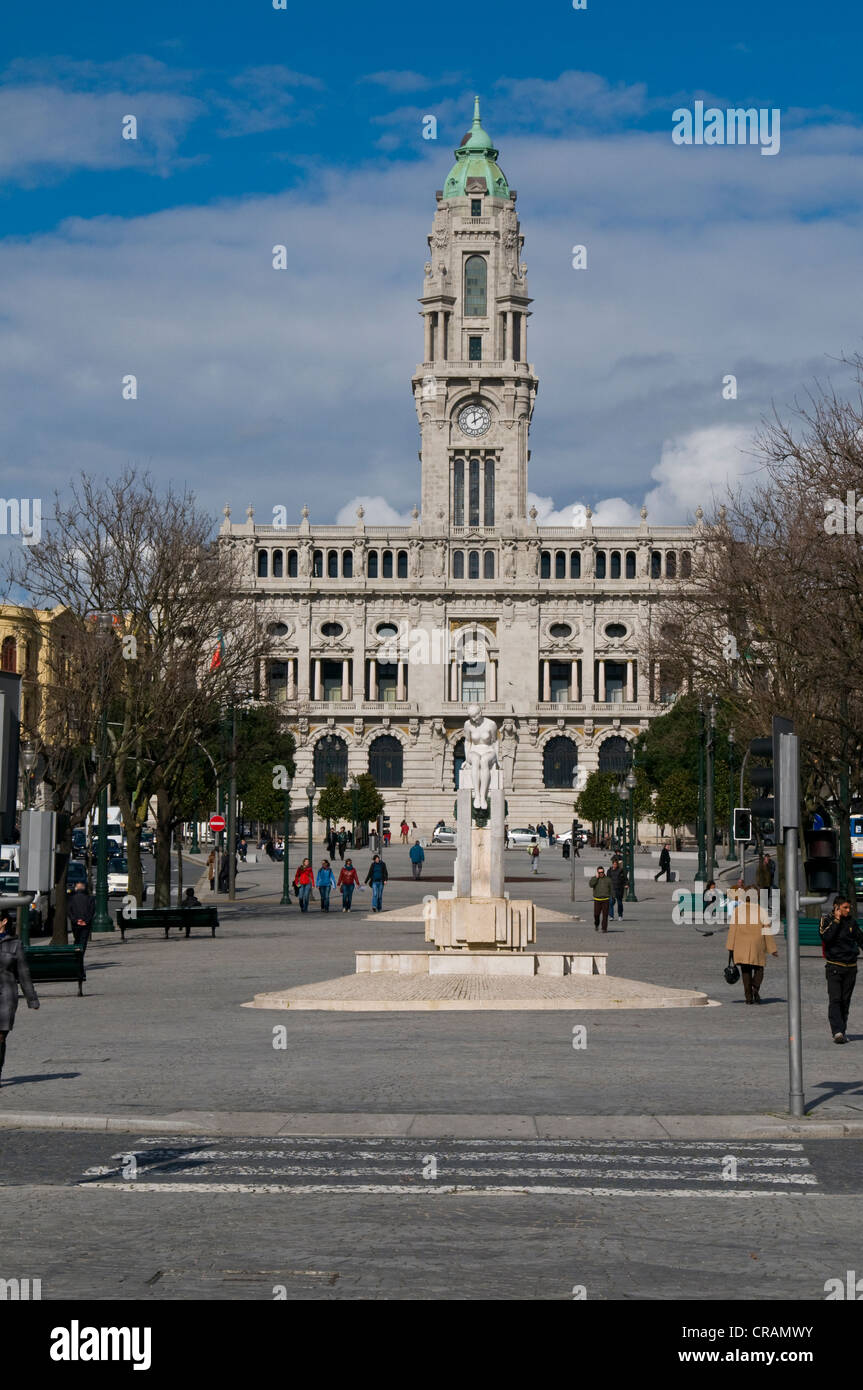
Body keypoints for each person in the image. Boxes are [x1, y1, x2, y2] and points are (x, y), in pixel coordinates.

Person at [0, 907, 39, 1086]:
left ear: (4, 921)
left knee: (0, 1037)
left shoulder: (14, 945)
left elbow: (23, 973)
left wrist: (32, 999)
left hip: (6, 997)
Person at [819, 896, 863, 1043]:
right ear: (836, 907)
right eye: (845, 907)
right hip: (834, 967)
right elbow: (826, 937)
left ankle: (842, 1031)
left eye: (849, 907)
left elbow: (860, 939)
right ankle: (837, 1031)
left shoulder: (851, 922)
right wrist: (837, 921)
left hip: (850, 967)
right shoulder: (827, 920)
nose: (848, 910)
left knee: (845, 1001)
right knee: (835, 999)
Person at [725, 890, 778, 1004]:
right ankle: (755, 986)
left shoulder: (738, 910)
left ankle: (748, 997)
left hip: (741, 944)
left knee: (745, 970)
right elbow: (766, 930)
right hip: (757, 943)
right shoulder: (761, 910)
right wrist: (772, 948)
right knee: (759, 969)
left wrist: (730, 946)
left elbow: (733, 929)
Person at [67, 880, 95, 954]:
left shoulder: (71, 898)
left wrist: (76, 920)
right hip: (85, 923)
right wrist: (85, 921)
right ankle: (81, 954)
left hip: (75, 923)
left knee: (77, 939)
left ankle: (76, 953)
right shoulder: (90, 898)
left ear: (76, 888)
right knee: (83, 940)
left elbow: (69, 911)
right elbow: (91, 911)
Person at [590, 866, 612, 932]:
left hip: (606, 899)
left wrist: (613, 897)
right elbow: (591, 885)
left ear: (604, 872)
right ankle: (596, 924)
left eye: (602, 872)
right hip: (597, 900)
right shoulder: (594, 878)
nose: (601, 873)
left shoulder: (608, 879)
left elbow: (611, 889)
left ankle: (604, 928)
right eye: (600, 872)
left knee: (605, 915)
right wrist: (596, 878)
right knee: (596, 915)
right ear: (597, 872)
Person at [608, 857, 628, 921]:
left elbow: (625, 879)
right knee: (611, 902)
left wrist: (626, 884)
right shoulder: (609, 871)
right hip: (612, 889)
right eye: (614, 864)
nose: (615, 865)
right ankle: (611, 916)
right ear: (612, 864)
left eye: (616, 864)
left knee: (619, 903)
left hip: (619, 889)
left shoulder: (621, 870)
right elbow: (607, 880)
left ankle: (620, 915)